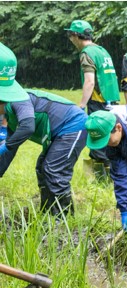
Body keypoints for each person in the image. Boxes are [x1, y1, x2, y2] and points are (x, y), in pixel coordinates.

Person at [0, 42, 87, 217]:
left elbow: (27, 126)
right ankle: (48, 214)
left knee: (54, 169)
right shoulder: (8, 117)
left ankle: (65, 219)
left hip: (73, 125)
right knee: (42, 168)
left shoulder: (18, 101)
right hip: (57, 132)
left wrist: (6, 145)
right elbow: (9, 151)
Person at [65, 19, 121, 181]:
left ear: (76, 35)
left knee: (98, 138)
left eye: (70, 35)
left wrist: (81, 105)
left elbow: (90, 81)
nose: (70, 40)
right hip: (111, 101)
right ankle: (113, 175)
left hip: (99, 101)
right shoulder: (102, 51)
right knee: (110, 137)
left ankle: (104, 180)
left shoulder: (86, 53)